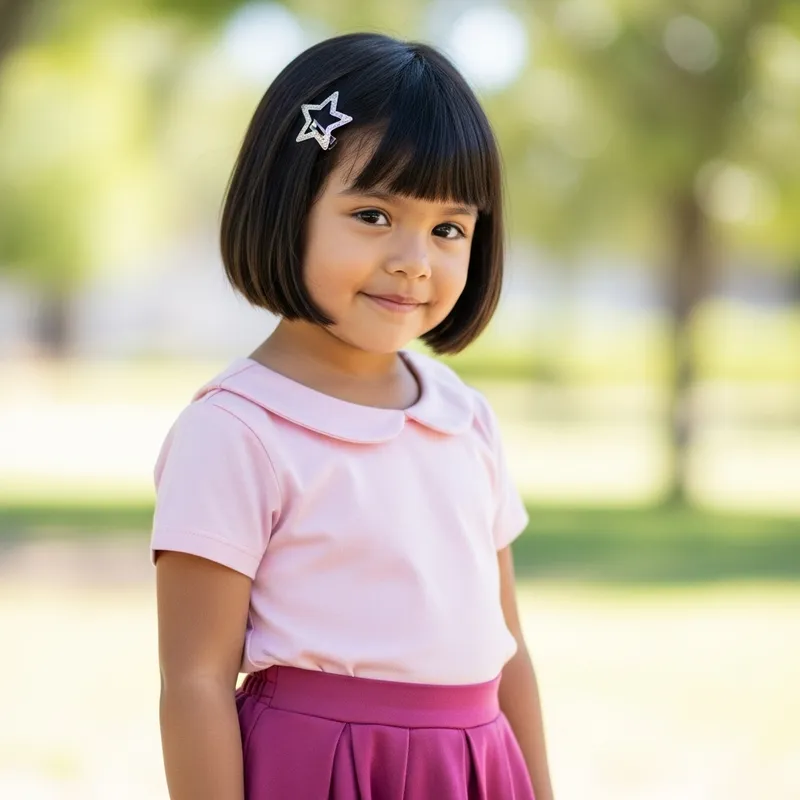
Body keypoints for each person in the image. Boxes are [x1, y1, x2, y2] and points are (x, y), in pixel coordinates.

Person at [151, 31, 554, 800]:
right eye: (373, 214)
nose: (415, 259)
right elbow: (195, 680)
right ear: (287, 203)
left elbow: (510, 655)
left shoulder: (465, 421)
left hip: (472, 769)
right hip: (318, 772)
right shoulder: (238, 429)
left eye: (448, 229)